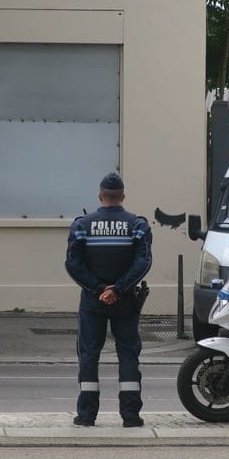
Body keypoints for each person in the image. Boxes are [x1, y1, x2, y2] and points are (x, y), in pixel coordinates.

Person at [65, 173, 153, 428]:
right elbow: (143, 262)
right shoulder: (137, 226)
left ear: (100, 196)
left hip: (93, 303)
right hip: (125, 302)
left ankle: (86, 415)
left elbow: (73, 264)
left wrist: (98, 288)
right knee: (128, 355)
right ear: (122, 197)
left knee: (89, 355)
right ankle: (130, 415)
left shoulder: (82, 226)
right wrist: (119, 289)